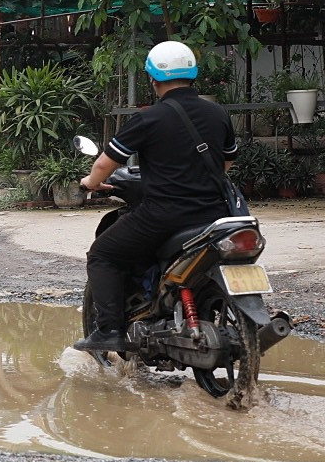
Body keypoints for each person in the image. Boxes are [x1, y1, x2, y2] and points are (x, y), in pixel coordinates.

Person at [73, 40, 238, 352]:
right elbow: (226, 162)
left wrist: (91, 183)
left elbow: (105, 162)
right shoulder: (217, 114)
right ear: (193, 75)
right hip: (216, 215)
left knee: (102, 255)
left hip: (164, 216)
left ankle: (108, 330)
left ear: (152, 79)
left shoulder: (149, 118)